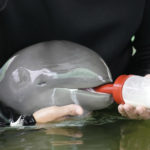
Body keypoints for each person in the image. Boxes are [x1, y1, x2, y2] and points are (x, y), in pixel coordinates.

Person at [0, 0, 150, 126]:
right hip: (19, 115)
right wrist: (25, 122)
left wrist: (138, 90)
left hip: (115, 109)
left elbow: (147, 53)